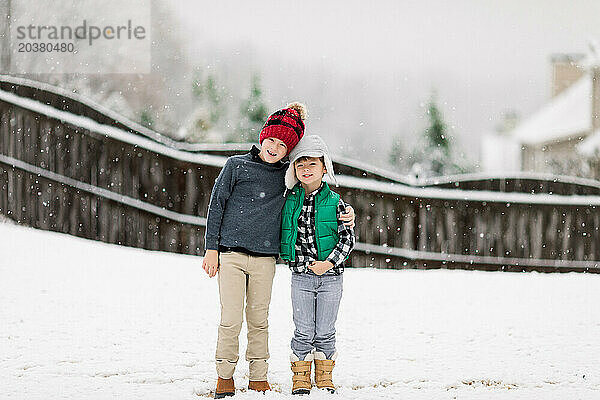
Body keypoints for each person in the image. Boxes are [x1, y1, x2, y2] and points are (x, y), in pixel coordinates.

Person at [202, 104, 354, 398]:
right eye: (271, 140)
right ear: (262, 137)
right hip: (230, 255)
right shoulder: (236, 166)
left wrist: (348, 214)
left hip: (265, 259)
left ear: (290, 151)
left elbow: (318, 194)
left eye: (283, 145)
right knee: (231, 318)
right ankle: (225, 375)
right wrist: (211, 249)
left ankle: (259, 377)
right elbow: (216, 205)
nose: (274, 148)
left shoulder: (290, 177)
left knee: (259, 320)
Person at [280, 135, 356, 395]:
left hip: (331, 277)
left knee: (325, 329)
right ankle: (300, 377)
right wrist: (303, 263)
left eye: (312, 164)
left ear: (325, 168)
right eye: (300, 165)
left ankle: (324, 376)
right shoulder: (289, 200)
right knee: (303, 329)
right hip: (301, 276)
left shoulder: (336, 203)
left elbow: (348, 239)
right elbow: (287, 236)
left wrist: (328, 263)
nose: (306, 170)